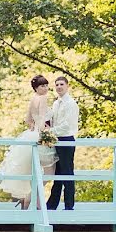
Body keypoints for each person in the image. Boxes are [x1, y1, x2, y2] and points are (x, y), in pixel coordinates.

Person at [0, 75, 58, 208]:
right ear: (36, 88)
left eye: (46, 85)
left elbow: (28, 120)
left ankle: (28, 199)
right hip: (41, 136)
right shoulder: (43, 98)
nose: (45, 88)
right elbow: (42, 118)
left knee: (35, 171)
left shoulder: (33, 99)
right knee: (50, 173)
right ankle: (30, 197)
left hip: (31, 135)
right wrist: (45, 131)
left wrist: (34, 128)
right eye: (42, 86)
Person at [46, 76, 79, 210]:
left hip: (66, 139)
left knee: (67, 172)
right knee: (58, 173)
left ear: (67, 86)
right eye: (57, 85)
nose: (59, 87)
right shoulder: (56, 103)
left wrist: (51, 131)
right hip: (56, 140)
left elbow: (67, 125)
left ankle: (69, 205)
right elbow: (53, 120)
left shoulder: (71, 104)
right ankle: (52, 204)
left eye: (61, 84)